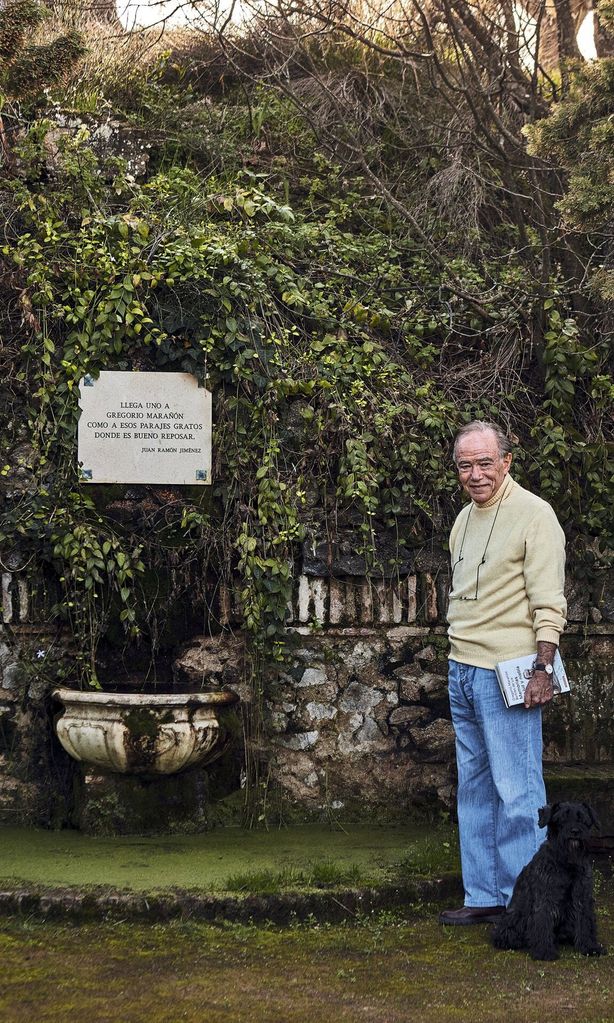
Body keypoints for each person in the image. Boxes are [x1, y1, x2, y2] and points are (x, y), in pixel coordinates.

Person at [439, 421, 567, 925]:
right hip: (462, 669)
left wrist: (543, 668)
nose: (475, 474)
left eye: (485, 462)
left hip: (510, 672)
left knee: (519, 793)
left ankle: (531, 906)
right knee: (474, 789)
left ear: (507, 461)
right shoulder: (463, 519)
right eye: (465, 465)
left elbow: (549, 602)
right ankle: (486, 897)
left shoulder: (536, 515)